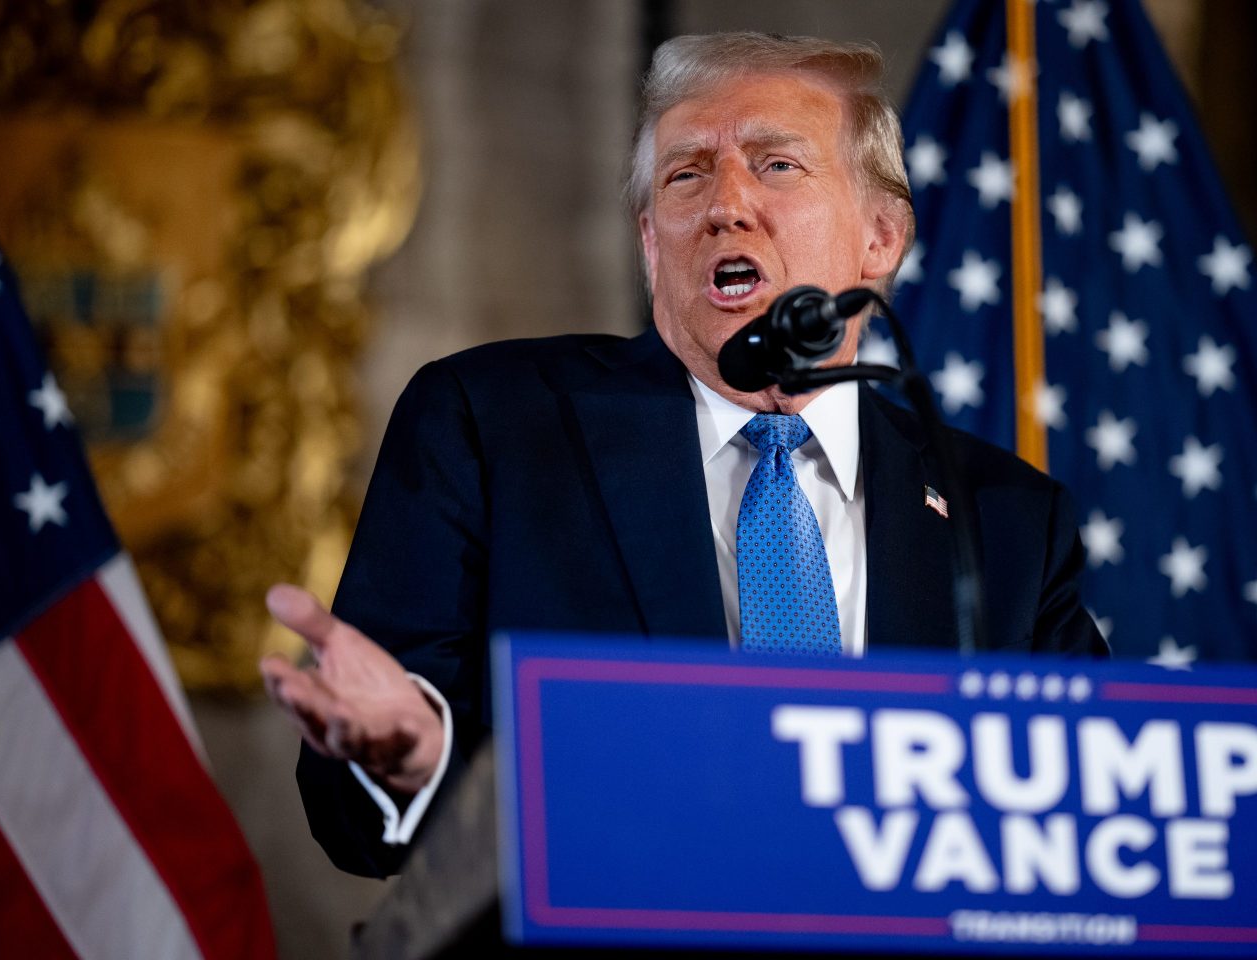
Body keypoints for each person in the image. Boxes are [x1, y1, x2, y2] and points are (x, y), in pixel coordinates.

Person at [261, 32, 1105, 881]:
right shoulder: (493, 428)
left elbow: (1089, 809)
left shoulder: (1006, 522)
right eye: (686, 174)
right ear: (652, 243)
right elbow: (351, 805)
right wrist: (418, 757)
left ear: (880, 238)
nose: (725, 204)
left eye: (777, 165)